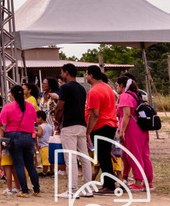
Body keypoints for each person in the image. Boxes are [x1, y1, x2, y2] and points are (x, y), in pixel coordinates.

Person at [54, 63, 89, 198]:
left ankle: (73, 189)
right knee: (84, 157)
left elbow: (60, 107)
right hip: (81, 124)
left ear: (66, 73)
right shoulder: (81, 88)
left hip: (69, 125)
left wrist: (57, 120)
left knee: (71, 158)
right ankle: (87, 188)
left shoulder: (65, 87)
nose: (61, 75)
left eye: (62, 72)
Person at [0, 84, 40, 196]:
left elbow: (1, 122)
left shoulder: (7, 107)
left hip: (14, 137)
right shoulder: (31, 106)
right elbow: (35, 120)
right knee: (30, 165)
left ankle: (25, 190)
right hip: (28, 137)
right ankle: (37, 190)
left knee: (19, 165)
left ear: (12, 95)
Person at [115, 71, 153, 190]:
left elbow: (126, 115)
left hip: (131, 128)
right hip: (141, 128)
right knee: (144, 155)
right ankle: (148, 182)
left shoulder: (125, 96)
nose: (116, 88)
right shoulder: (136, 94)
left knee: (134, 155)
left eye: (117, 85)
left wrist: (122, 132)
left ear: (122, 86)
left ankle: (138, 181)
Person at [85, 64, 119, 194]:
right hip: (111, 124)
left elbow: (94, 114)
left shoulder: (93, 91)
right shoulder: (108, 88)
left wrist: (88, 131)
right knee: (104, 155)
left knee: (103, 156)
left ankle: (109, 185)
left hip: (101, 125)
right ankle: (108, 183)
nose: (86, 77)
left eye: (87, 74)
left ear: (91, 75)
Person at [36, 110, 54, 176]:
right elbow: (52, 134)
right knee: (51, 160)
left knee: (45, 160)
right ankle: (52, 171)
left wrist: (34, 133)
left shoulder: (40, 126)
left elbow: (40, 134)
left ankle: (44, 172)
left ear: (40, 118)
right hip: (49, 145)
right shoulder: (49, 126)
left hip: (43, 146)